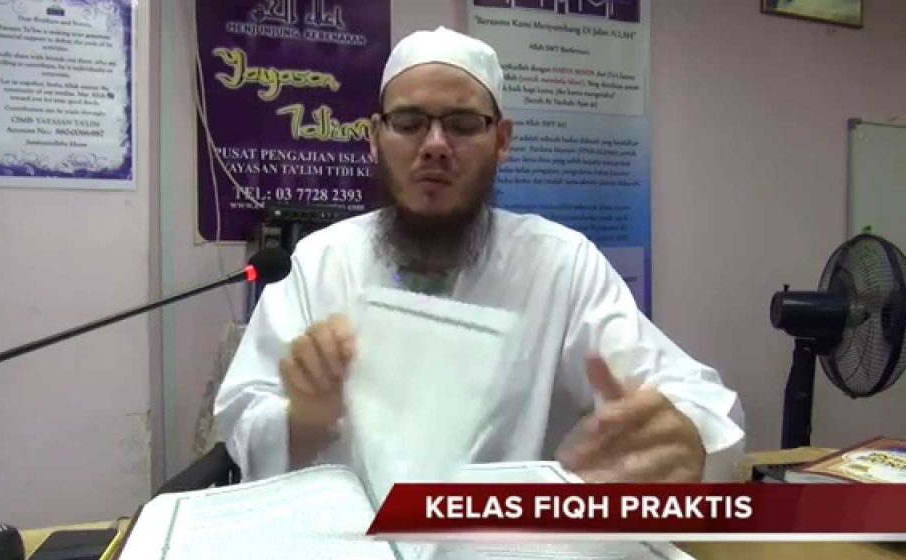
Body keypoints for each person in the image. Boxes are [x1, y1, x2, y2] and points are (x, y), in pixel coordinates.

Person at [214, 26, 745, 484]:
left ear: (502, 141)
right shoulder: (319, 262)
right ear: (375, 138)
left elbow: (694, 397)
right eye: (409, 122)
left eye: (463, 124)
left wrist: (688, 437)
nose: (435, 144)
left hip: (503, 547)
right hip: (351, 545)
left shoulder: (560, 265)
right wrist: (303, 419)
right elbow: (242, 416)